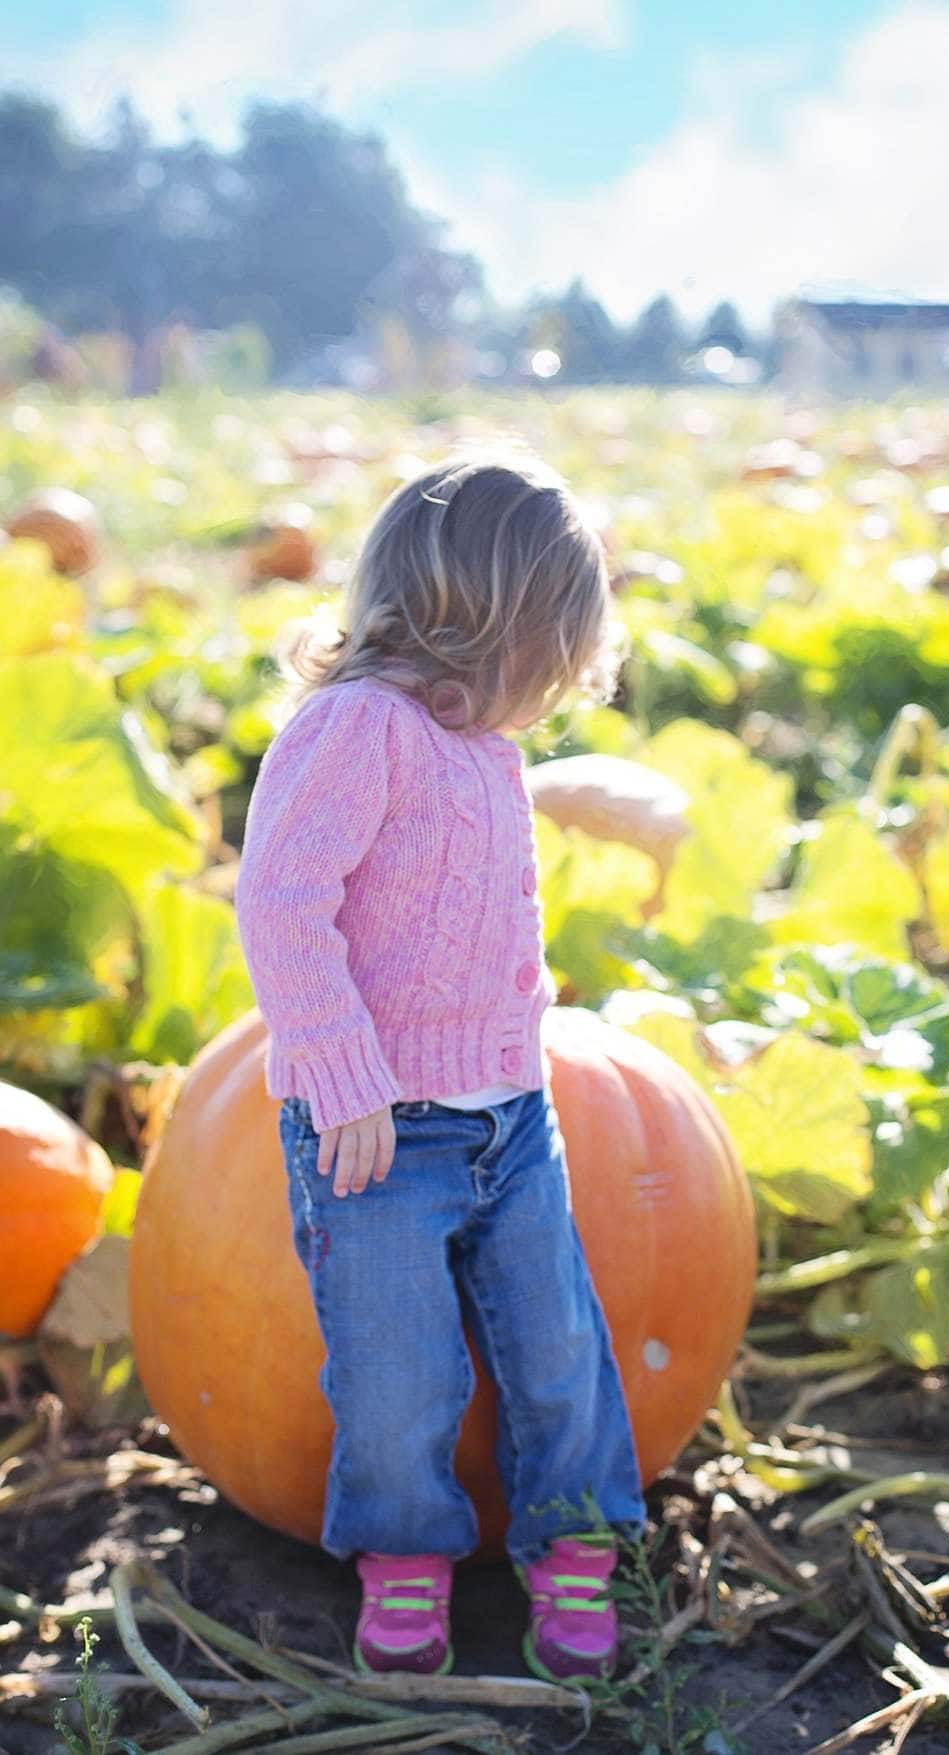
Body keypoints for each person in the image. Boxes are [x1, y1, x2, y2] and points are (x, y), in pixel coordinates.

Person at [234, 452, 646, 1683]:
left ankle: (573, 1549)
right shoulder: (361, 726)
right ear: (502, 628)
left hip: (511, 1121)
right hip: (376, 1130)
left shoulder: (483, 746)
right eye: (556, 657)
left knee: (557, 1349)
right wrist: (339, 1073)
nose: (558, 690)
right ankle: (404, 1564)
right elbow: (281, 897)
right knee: (399, 1372)